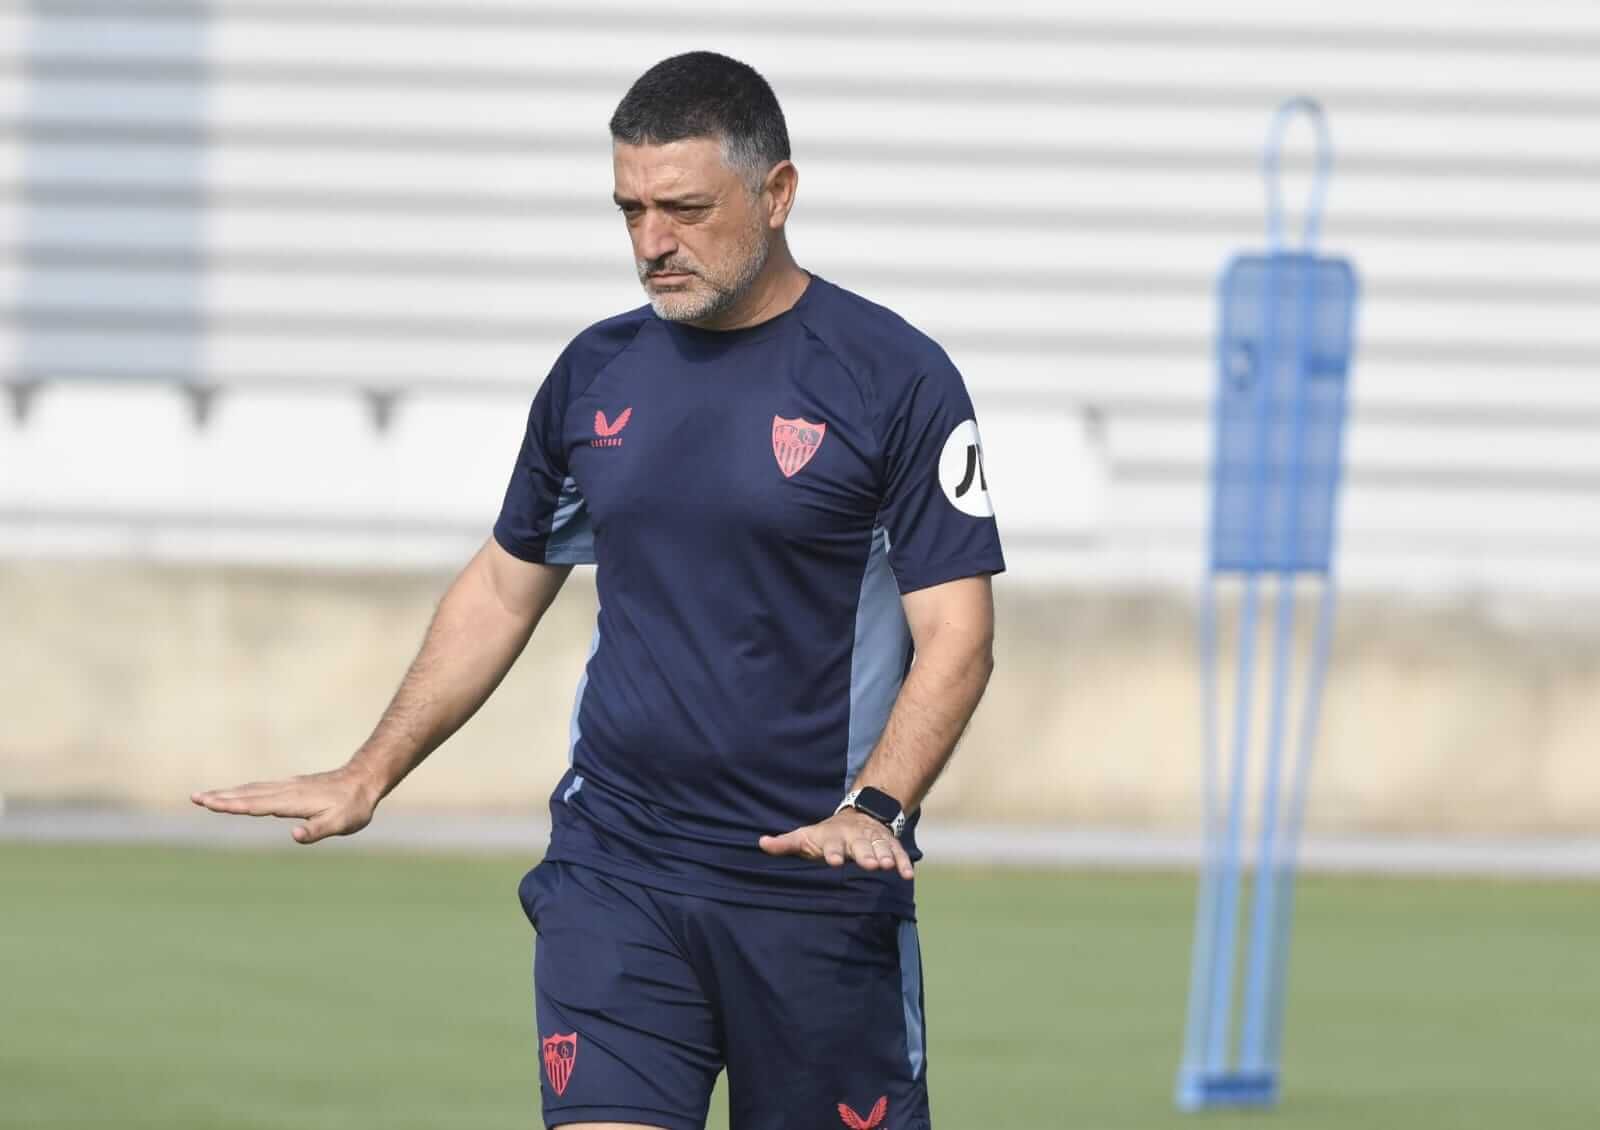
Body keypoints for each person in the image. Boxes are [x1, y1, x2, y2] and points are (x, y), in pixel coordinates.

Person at [192, 51, 1003, 1130]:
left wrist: (875, 804)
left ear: (777, 194)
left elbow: (957, 632)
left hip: (814, 886)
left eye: (683, 208)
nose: (651, 243)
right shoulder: (596, 374)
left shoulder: (893, 377)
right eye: (628, 210)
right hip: (617, 867)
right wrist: (370, 767)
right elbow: (500, 583)